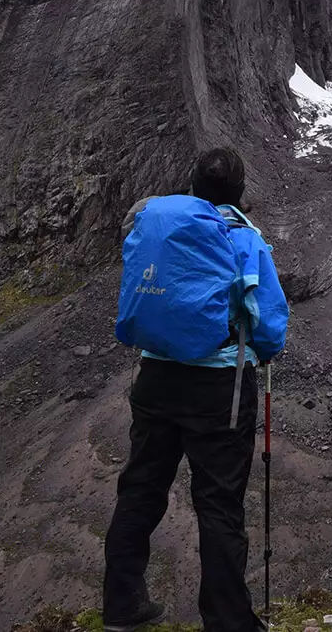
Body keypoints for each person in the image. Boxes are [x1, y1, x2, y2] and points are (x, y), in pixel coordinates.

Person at [103, 147, 289, 632]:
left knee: (140, 489)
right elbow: (268, 321)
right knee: (218, 504)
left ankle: (122, 605)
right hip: (218, 388)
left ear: (190, 184)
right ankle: (228, 622)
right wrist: (264, 352)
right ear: (239, 192)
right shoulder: (242, 237)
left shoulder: (158, 226)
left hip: (156, 376)